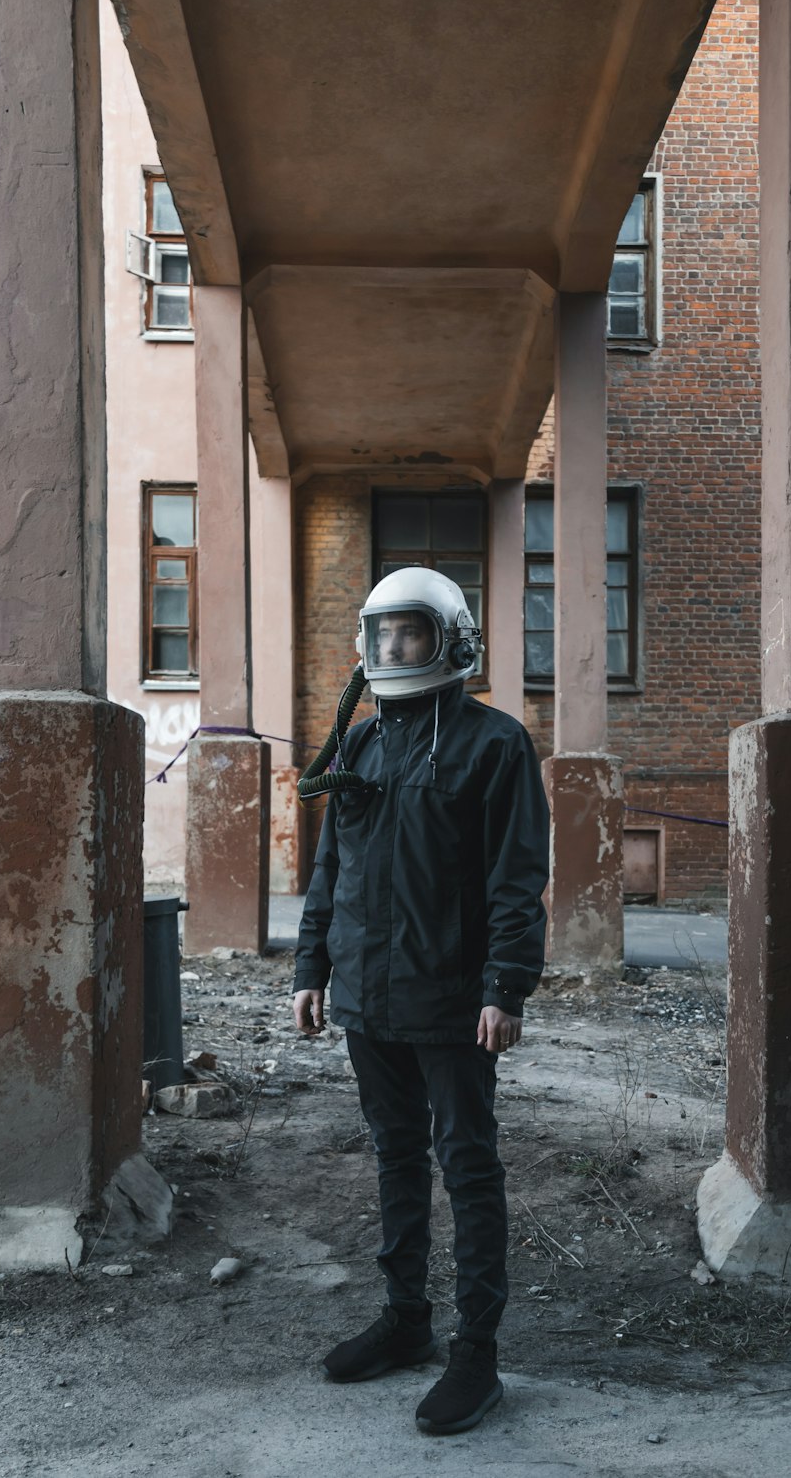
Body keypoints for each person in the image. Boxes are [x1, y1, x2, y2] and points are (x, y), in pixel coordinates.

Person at [293, 566, 550, 1436]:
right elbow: (332, 869)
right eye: (384, 634)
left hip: (453, 1002)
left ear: (452, 640)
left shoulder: (494, 743)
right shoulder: (358, 747)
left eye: (411, 633)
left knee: (468, 1167)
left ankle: (474, 1354)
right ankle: (407, 1321)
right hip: (368, 998)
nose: (395, 648)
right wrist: (309, 969)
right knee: (395, 1158)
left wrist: (505, 987)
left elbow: (516, 879)